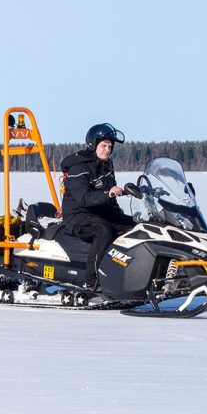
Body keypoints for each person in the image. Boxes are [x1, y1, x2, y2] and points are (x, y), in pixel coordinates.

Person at [60, 123, 136, 291]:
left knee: (137, 225)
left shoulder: (107, 165)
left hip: (100, 213)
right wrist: (108, 193)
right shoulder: (78, 167)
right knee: (103, 230)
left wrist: (120, 201)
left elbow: (109, 196)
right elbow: (85, 198)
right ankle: (92, 280)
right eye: (103, 146)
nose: (107, 150)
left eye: (110, 146)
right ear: (93, 145)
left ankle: (133, 272)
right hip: (78, 216)